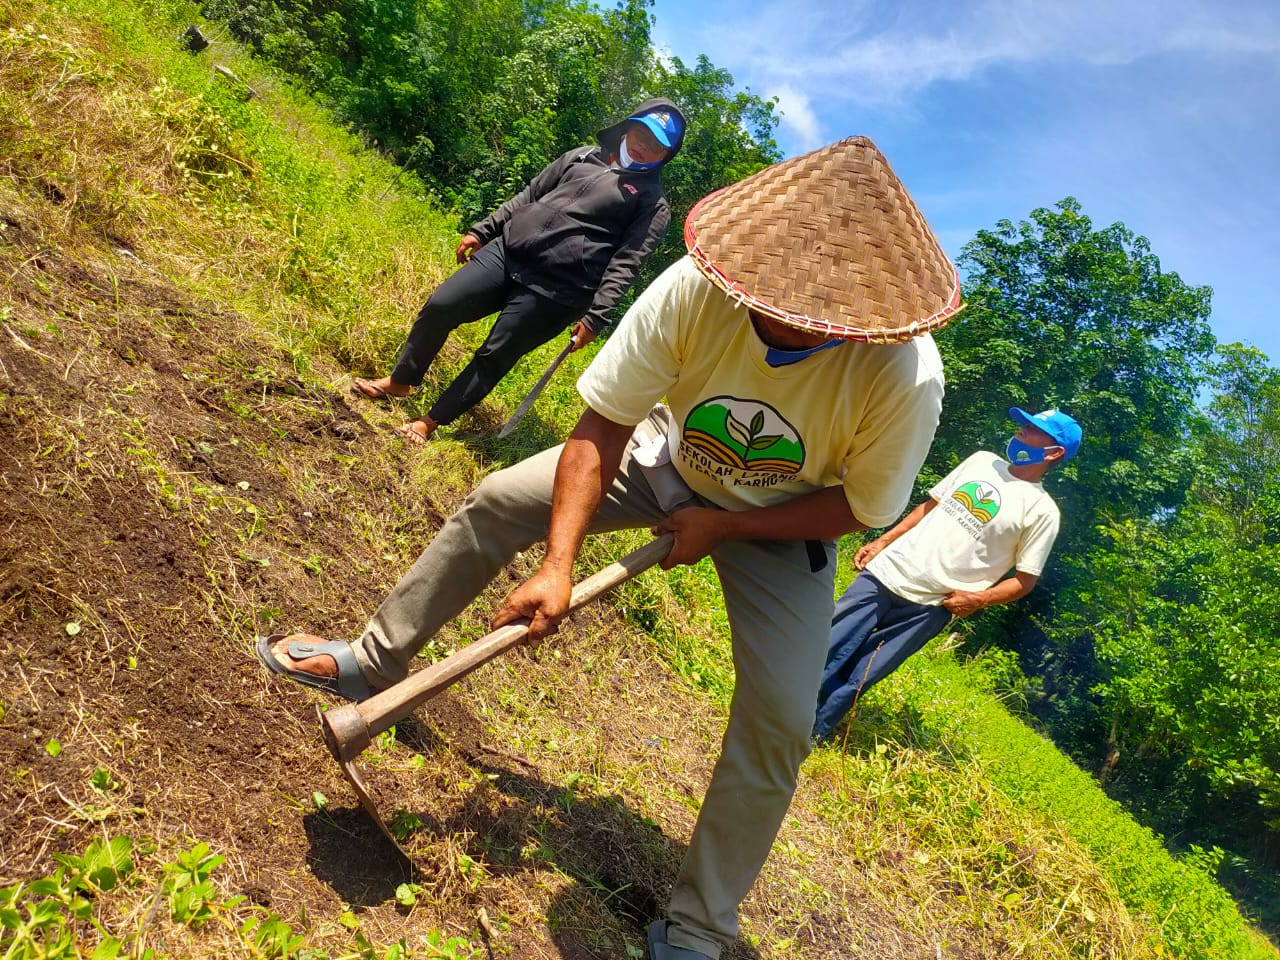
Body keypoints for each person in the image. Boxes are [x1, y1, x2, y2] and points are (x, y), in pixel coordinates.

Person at [258, 137, 963, 959]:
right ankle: (370, 664)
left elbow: (856, 508)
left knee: (780, 717)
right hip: (657, 459)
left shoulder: (905, 376)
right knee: (496, 503)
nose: (781, 315)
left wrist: (723, 526)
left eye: (811, 314)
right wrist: (557, 564)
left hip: (784, 523)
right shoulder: (699, 288)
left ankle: (699, 926)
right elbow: (605, 423)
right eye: (770, 294)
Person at [351, 98, 686, 443]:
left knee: (494, 355)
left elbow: (627, 261)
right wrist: (484, 230)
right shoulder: (583, 156)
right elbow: (530, 194)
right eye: (642, 134)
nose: (643, 147)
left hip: (556, 292)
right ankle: (401, 381)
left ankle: (428, 423)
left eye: (656, 145)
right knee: (442, 304)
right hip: (508, 252)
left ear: (665, 156)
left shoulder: (652, 203)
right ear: (628, 127)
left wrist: (596, 317)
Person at [810, 407, 1082, 744]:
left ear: (1054, 452)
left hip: (930, 605)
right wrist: (881, 541)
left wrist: (978, 599)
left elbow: (1024, 580)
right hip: (888, 572)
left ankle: (807, 735)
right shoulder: (982, 461)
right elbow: (930, 505)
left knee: (861, 674)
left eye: (1034, 429)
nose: (1022, 431)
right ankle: (774, 706)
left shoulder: (1043, 512)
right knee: (826, 644)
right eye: (1024, 424)